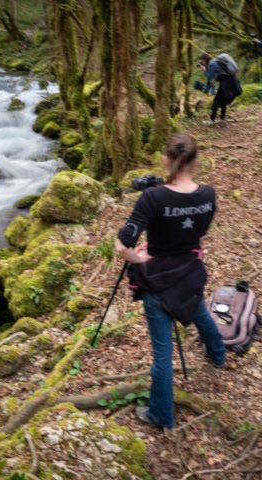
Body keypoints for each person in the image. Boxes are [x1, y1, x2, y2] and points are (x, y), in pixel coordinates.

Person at [115, 133, 226, 429]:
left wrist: (139, 258)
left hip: (159, 283)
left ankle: (161, 414)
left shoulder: (152, 197)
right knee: (200, 311)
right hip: (190, 274)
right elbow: (200, 231)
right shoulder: (209, 194)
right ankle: (218, 354)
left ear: (166, 159)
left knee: (163, 355)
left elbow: (122, 244)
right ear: (196, 160)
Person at [198, 53, 239, 124]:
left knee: (216, 100)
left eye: (202, 61)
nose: (202, 63)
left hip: (226, 81)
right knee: (222, 100)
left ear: (205, 60)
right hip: (227, 80)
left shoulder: (212, 63)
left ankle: (212, 120)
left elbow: (210, 77)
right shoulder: (214, 62)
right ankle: (222, 119)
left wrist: (204, 70)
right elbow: (215, 77)